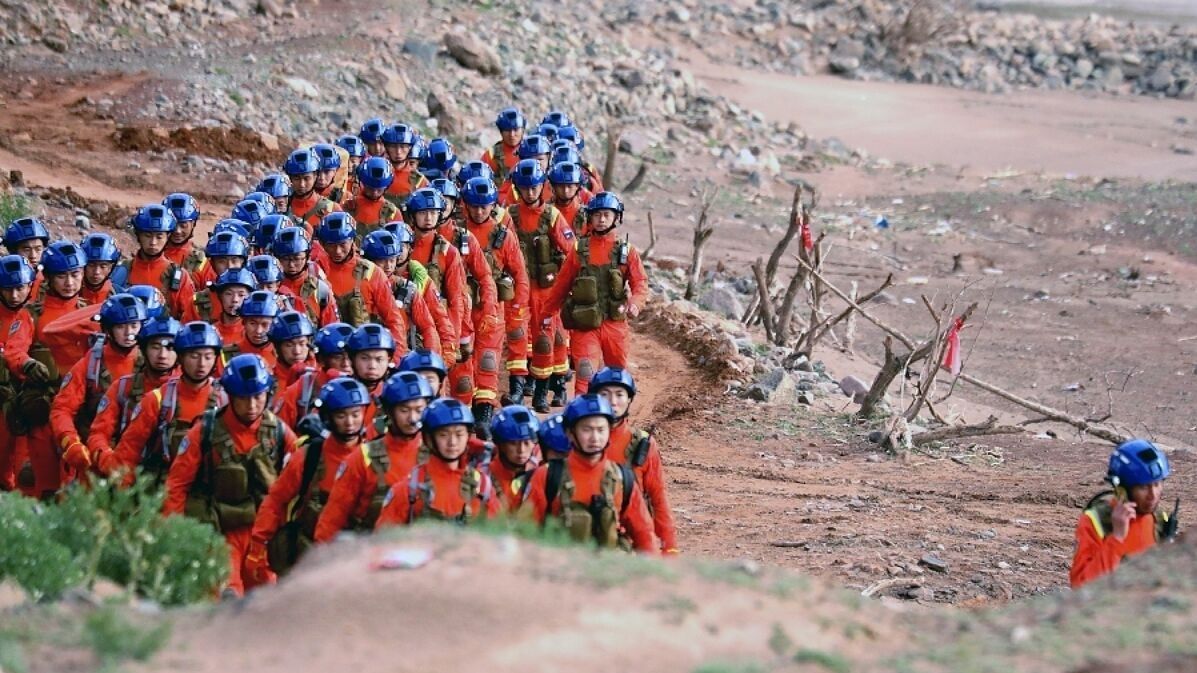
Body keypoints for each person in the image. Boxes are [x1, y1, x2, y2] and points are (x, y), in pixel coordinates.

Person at [164, 354, 299, 597]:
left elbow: (301, 476)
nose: (252, 406)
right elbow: (176, 485)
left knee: (266, 599)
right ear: (230, 396)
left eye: (258, 397)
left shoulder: (278, 432)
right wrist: (175, 534)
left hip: (262, 532)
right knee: (224, 595)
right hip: (219, 531)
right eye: (243, 399)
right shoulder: (204, 432)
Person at [249, 376, 368, 577]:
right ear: (328, 417)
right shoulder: (309, 456)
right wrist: (259, 543)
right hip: (310, 558)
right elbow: (276, 500)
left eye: (355, 414)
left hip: (360, 559)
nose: (350, 422)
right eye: (341, 415)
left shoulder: (372, 456)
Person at [517, 394, 656, 551]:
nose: (595, 438)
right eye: (586, 429)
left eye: (601, 429)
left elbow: (644, 535)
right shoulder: (547, 476)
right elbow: (523, 534)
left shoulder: (622, 478)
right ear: (570, 433)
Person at [543, 192, 648, 395]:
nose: (601, 220)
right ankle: (581, 420)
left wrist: (635, 303)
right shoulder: (578, 249)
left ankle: (616, 422)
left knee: (617, 377)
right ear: (589, 217)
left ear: (616, 218)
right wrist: (547, 314)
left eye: (606, 215)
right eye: (597, 215)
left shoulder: (626, 252)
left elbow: (640, 282)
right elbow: (561, 285)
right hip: (585, 324)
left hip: (614, 324)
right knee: (584, 374)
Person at [313, 370, 434, 541]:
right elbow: (333, 518)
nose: (412, 418)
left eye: (419, 409)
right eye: (404, 410)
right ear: (389, 411)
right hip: (370, 556)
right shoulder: (363, 457)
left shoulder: (436, 454)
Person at [102, 321, 226, 485]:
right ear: (181, 357)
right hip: (163, 489)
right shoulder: (157, 400)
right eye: (194, 356)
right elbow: (128, 452)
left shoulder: (225, 399)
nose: (202, 364)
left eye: (208, 357)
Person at [18, 241, 92, 498]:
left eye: (75, 275)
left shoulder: (90, 313)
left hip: (78, 406)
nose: (70, 282)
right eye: (62, 276)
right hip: (43, 403)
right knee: (46, 483)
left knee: (78, 480)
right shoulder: (32, 314)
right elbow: (16, 349)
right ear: (48, 278)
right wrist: (27, 363)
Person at [52, 293, 147, 481]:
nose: (129, 333)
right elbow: (61, 409)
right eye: (121, 326)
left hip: (140, 460)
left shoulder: (153, 361)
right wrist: (71, 443)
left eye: (134, 326)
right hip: (95, 459)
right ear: (107, 329)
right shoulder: (91, 365)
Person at [505, 159, 575, 412]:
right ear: (518, 188)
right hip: (519, 288)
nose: (530, 192)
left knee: (546, 341)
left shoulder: (552, 216)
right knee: (516, 336)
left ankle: (542, 393)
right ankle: (516, 388)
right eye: (525, 188)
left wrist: (565, 284)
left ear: (542, 186)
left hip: (546, 290)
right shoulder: (509, 215)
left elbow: (571, 253)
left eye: (534, 187)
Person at [589, 367, 677, 554]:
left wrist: (669, 550)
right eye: (604, 394)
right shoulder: (574, 438)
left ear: (629, 400)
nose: (612, 402)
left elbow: (658, 499)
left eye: (619, 394)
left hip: (629, 541)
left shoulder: (642, 444)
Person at [460, 177, 531, 408]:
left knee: (488, 361)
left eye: (484, 206)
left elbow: (520, 274)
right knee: (463, 362)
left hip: (493, 308)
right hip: (461, 309)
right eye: (474, 206)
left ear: (493, 206)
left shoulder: (503, 236)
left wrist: (519, 307)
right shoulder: (457, 234)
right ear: (466, 205)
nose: (479, 211)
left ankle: (484, 413)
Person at [374, 398, 499, 527]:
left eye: (459, 434)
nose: (452, 442)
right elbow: (384, 540)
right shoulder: (408, 490)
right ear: (429, 438)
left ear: (468, 436)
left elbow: (498, 538)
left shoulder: (482, 486)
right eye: (443, 435)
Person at [1070, 439, 1178, 589]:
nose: (1153, 495)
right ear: (1122, 488)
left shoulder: (1160, 520)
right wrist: (1117, 538)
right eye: (1143, 487)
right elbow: (1081, 586)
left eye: (1157, 484)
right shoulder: (1096, 521)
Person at [85, 316, 180, 480]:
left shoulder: (192, 390)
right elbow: (99, 433)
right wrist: (109, 462)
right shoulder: (122, 388)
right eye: (155, 347)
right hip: (127, 472)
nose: (162, 355)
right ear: (143, 349)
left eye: (170, 348)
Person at [407, 188, 469, 381]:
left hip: (435, 322)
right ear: (413, 215)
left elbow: (456, 299)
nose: (428, 218)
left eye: (433, 212)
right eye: (423, 213)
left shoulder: (449, 253)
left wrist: (453, 341)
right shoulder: (401, 246)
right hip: (406, 319)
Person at [314, 212, 406, 343]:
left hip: (367, 350)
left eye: (342, 244)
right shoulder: (315, 271)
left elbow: (394, 321)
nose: (337, 251)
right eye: (331, 245)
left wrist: (394, 358)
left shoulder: (373, 272)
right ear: (323, 244)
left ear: (353, 240)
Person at [361, 230, 441, 354]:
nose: (388, 266)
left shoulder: (408, 289)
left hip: (401, 353)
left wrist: (431, 358)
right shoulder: (358, 288)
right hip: (364, 351)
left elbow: (428, 327)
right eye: (382, 260)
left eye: (392, 260)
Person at [110, 204, 196, 317]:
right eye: (147, 235)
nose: (153, 242)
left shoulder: (179, 277)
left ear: (168, 236)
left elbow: (188, 318)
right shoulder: (120, 271)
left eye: (159, 236)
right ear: (138, 235)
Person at [0, 254, 37, 491]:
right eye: (8, 289)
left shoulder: (36, 314)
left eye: (20, 288)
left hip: (28, 394)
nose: (14, 296)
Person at [273, 322, 353, 428]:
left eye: (351, 356)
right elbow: (277, 436)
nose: (346, 364)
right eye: (338, 357)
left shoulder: (369, 390)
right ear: (321, 359)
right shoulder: (300, 390)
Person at [272, 226, 338, 328]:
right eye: (285, 259)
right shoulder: (270, 286)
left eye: (297, 258)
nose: (291, 265)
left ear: (307, 256)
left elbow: (332, 328)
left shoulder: (321, 290)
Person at [182, 267, 257, 348]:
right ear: (220, 296)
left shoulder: (254, 333)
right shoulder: (208, 332)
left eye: (241, 295)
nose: (235, 299)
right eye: (228, 294)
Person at [488, 404, 541, 512]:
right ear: (501, 444)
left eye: (526, 443)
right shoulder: (484, 473)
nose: (521, 450)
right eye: (513, 443)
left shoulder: (544, 471)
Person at [283, 147, 341, 233]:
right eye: (296, 178)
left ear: (315, 176)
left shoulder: (332, 209)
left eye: (307, 178)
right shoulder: (281, 206)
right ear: (290, 178)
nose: (302, 184)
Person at [344, 156, 401, 239]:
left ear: (387, 187)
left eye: (379, 189)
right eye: (370, 188)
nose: (374, 192)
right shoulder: (347, 206)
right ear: (361, 182)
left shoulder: (392, 213)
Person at [498, 135, 553, 207]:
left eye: (540, 159)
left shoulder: (557, 185)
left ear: (549, 159)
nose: (535, 163)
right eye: (529, 160)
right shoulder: (516, 188)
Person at [231, 290, 281, 367]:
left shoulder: (285, 355)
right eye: (253, 323)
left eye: (265, 324)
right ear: (244, 322)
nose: (258, 331)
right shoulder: (228, 355)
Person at [269, 310, 317, 390]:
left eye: (302, 344)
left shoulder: (321, 377)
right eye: (289, 345)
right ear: (277, 348)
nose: (297, 352)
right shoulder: (268, 383)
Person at [381, 123, 428, 204]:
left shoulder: (419, 181)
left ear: (410, 148)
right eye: (393, 146)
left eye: (403, 146)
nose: (398, 152)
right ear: (386, 147)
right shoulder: (377, 172)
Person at [481, 107, 525, 184]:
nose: (512, 135)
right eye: (507, 130)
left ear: (522, 130)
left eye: (516, 129)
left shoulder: (533, 151)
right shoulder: (491, 155)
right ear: (501, 131)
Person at [547, 161, 594, 231]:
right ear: (554, 186)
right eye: (561, 186)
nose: (565, 190)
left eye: (569, 186)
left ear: (577, 186)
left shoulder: (587, 215)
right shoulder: (545, 211)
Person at [79, 232, 120, 304]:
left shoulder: (119, 295)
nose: (96, 272)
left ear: (111, 268)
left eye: (103, 266)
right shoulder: (70, 292)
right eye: (91, 265)